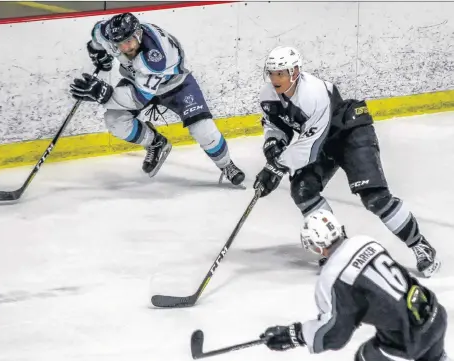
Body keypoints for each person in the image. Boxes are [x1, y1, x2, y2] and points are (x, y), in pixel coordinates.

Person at [253, 45, 440, 277]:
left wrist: (277, 166)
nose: (275, 79)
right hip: (322, 142)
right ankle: (339, 249)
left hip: (350, 133)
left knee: (375, 199)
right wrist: (273, 143)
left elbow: (310, 145)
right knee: (303, 190)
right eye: (271, 73)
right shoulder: (268, 95)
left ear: (295, 72)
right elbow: (275, 125)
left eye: (280, 73)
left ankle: (420, 245)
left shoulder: (314, 94)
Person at [69, 12, 245, 184]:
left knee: (203, 130)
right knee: (115, 121)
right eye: (119, 44)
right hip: (137, 80)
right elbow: (96, 33)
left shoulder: (155, 58)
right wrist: (96, 50)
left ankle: (226, 165)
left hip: (176, 85)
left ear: (138, 34)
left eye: (128, 42)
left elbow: (138, 99)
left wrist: (103, 94)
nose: (124, 48)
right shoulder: (110, 33)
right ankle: (156, 143)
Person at [261, 209, 449, 361]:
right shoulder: (366, 241)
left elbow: (334, 334)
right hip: (433, 315)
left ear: (316, 246)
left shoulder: (332, 277)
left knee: (366, 357)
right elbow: (376, 293)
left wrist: (296, 335)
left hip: (408, 338)